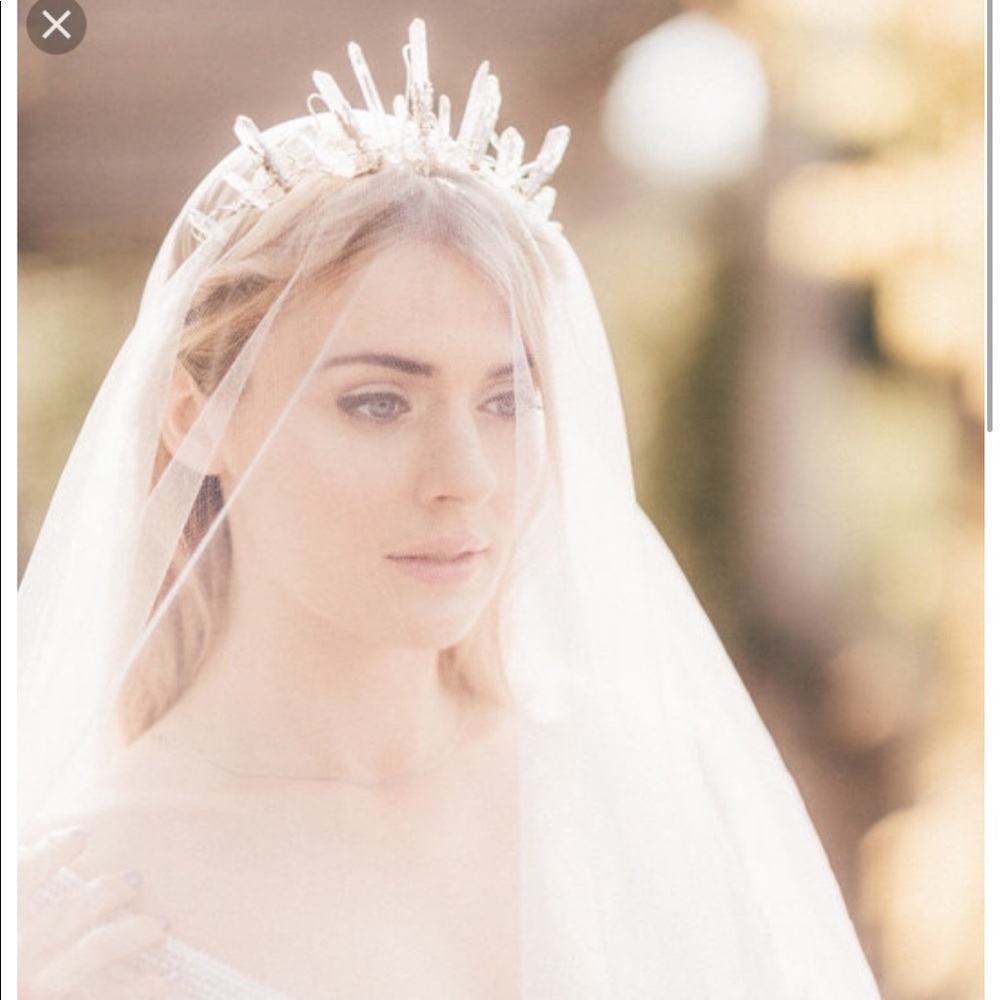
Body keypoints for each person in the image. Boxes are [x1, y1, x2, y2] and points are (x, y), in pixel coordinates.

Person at [18, 20, 882, 999]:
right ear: (199, 417)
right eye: (379, 402)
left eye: (506, 401)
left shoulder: (638, 786)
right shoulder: (86, 897)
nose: (464, 474)